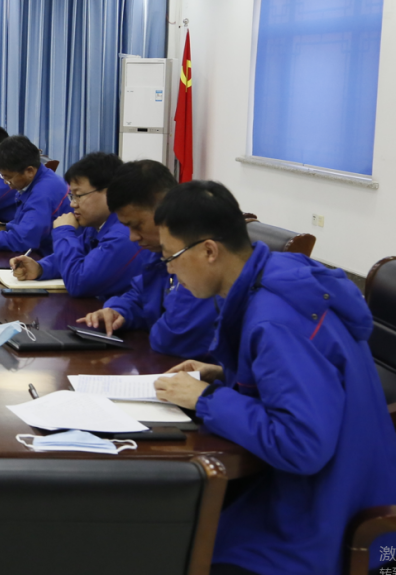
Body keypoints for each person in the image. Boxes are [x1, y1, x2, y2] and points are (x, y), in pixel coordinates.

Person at [151, 181, 396, 575]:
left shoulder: (274, 322)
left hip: (330, 521)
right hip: (340, 487)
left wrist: (205, 399)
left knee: (176, 546)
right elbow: (303, 377)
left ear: (209, 250)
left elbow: (302, 445)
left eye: (171, 256)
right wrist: (225, 373)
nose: (169, 270)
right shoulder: (280, 275)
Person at [78, 160, 218, 359]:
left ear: (165, 208)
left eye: (137, 225)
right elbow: (140, 294)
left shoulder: (200, 255)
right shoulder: (159, 251)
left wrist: (151, 322)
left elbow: (173, 337)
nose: (133, 237)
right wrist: (118, 311)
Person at [8, 152, 155, 299]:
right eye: (72, 196)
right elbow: (79, 258)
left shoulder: (124, 235)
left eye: (78, 196)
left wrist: (63, 231)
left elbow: (78, 283)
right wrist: (41, 268)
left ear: (110, 193)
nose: (73, 204)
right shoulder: (97, 225)